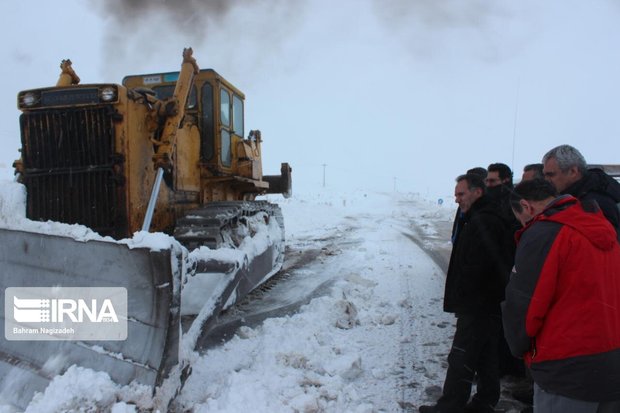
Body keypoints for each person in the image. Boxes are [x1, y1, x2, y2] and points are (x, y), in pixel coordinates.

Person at [503, 179, 620, 412]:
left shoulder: (544, 233)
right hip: (611, 361)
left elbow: (525, 305)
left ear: (527, 207)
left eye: (521, 219)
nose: (524, 224)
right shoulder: (601, 227)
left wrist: (518, 346)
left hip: (566, 367)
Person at [420, 174, 510, 413]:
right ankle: (485, 401)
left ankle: (450, 405)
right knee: (486, 354)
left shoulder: (484, 221)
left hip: (477, 303)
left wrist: (464, 296)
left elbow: (478, 266)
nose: (457, 199)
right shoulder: (481, 217)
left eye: (461, 194)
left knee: (461, 356)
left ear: (477, 192)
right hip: (487, 302)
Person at [542, 144, 620, 239]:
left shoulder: (594, 201)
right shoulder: (582, 195)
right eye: (545, 175)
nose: (546, 180)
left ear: (573, 172)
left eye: (551, 175)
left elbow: (607, 243)